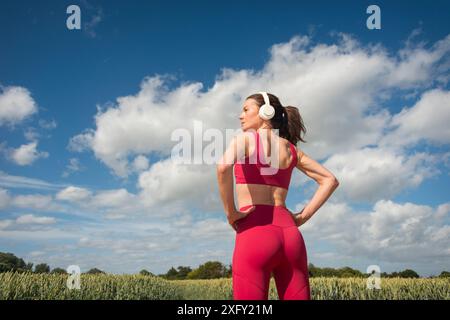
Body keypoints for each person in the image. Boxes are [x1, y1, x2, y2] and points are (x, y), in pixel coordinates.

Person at [216, 92, 339, 300]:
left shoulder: (245, 140)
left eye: (246, 109)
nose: (240, 115)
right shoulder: (291, 150)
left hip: (254, 233)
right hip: (291, 238)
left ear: (266, 112)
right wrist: (301, 218)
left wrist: (231, 213)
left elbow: (222, 167)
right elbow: (330, 180)